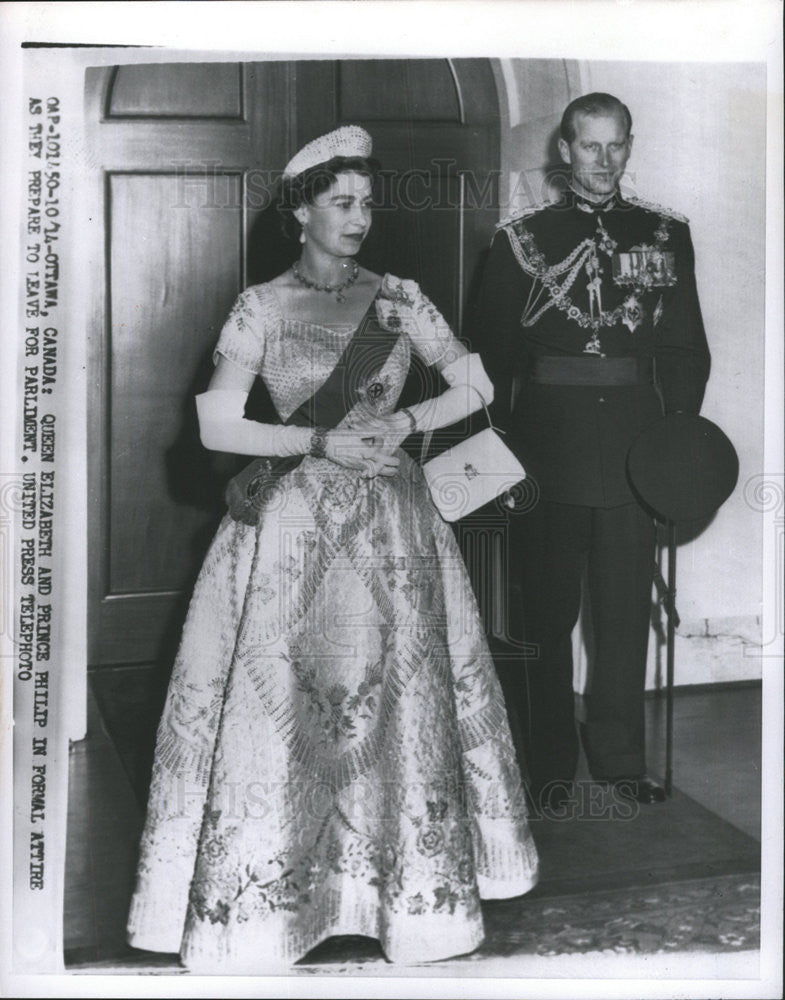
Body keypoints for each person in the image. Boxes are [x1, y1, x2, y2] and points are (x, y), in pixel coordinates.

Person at [126, 125, 538, 972]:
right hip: (296, 532)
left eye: (368, 205)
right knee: (291, 706)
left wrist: (403, 420)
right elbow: (215, 420)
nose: (360, 219)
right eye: (342, 204)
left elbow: (476, 381)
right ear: (301, 211)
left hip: (394, 525)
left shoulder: (398, 298)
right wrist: (316, 443)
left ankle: (403, 898)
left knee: (397, 705)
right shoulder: (261, 307)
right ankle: (278, 900)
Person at [472, 93, 710, 808]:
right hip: (548, 447)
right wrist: (503, 450)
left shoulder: (664, 234)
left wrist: (674, 444)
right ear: (565, 151)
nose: (603, 162)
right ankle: (547, 761)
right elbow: (486, 357)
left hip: (638, 450)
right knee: (544, 616)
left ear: (627, 146)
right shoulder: (521, 239)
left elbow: (685, 349)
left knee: (621, 610)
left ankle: (619, 758)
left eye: (616, 147)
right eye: (589, 147)